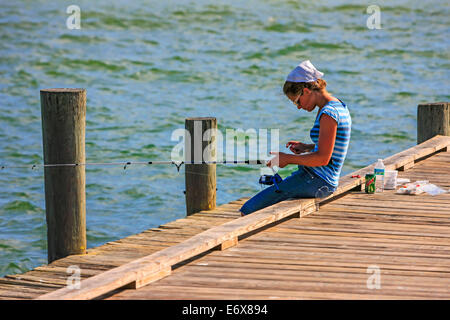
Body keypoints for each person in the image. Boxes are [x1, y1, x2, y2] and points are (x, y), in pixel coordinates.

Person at [240, 60, 352, 216]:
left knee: (249, 210)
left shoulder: (328, 114)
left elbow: (323, 159)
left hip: (317, 180)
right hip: (318, 179)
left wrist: (287, 158)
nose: (299, 107)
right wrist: (307, 147)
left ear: (306, 91)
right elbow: (334, 147)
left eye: (297, 101)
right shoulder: (339, 106)